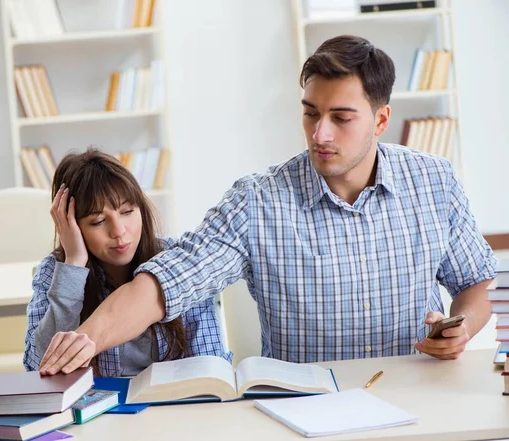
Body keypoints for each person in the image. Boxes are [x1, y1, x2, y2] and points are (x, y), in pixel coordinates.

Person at [38, 35, 496, 376]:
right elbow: (165, 284)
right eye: (311, 113)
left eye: (341, 118)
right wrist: (84, 341)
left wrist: (460, 330)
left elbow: (475, 283)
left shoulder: (434, 181)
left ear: (380, 119)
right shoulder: (258, 200)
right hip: (305, 409)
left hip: (417, 395)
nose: (320, 134)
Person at [23, 148, 231, 376]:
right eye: (99, 221)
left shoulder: (179, 260)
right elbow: (40, 366)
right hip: (98, 409)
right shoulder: (54, 272)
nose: (119, 231)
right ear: (70, 225)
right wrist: (73, 265)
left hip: (173, 406)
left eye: (127, 211)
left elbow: (210, 363)